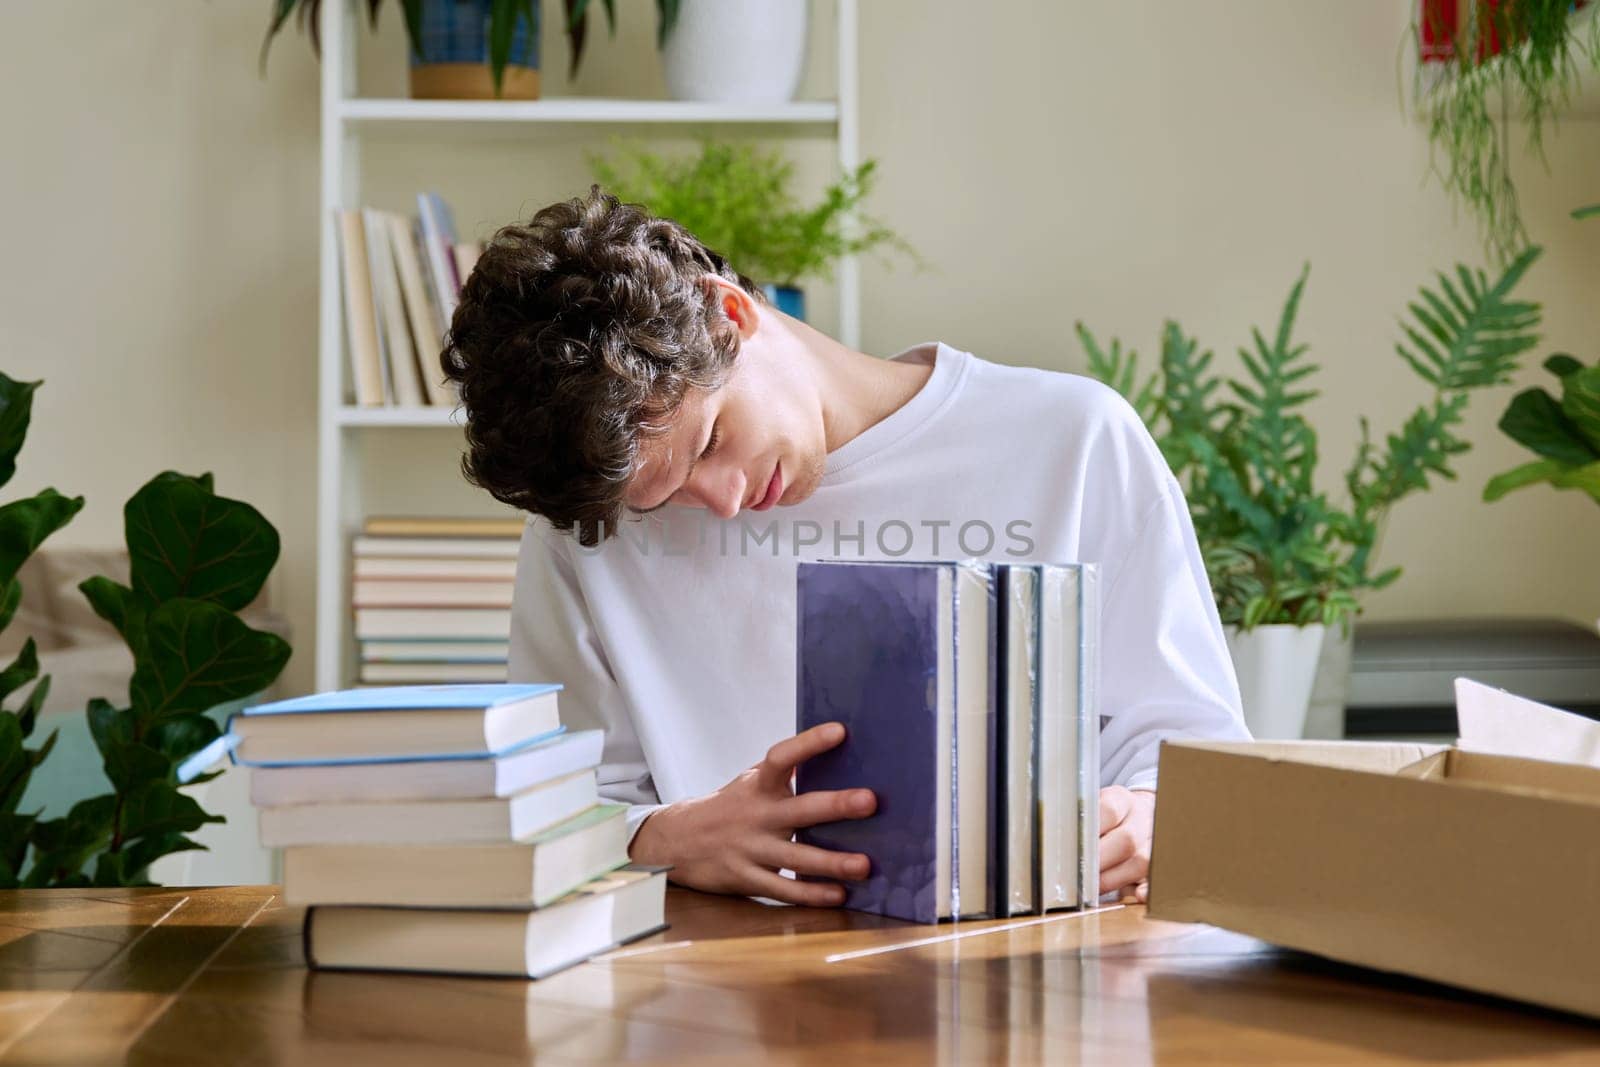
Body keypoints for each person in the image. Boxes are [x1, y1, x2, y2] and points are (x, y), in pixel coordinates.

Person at [441, 187, 1248, 908]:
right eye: (667, 498)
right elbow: (554, 801)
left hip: (1041, 971)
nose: (720, 503)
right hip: (720, 988)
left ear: (730, 312)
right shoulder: (587, 523)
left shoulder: (1073, 441)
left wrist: (1150, 816)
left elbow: (1197, 754)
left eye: (712, 440)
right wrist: (662, 839)